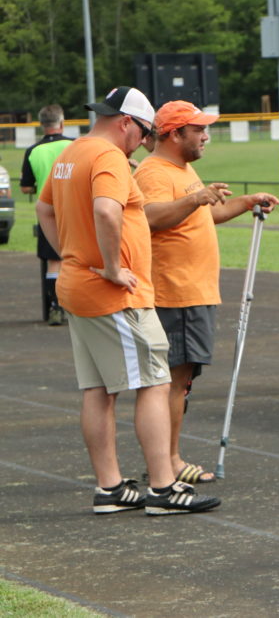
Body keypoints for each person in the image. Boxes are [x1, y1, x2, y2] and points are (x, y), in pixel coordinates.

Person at [35, 86, 219, 516]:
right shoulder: (108, 157)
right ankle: (162, 488)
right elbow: (106, 210)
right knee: (154, 382)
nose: (145, 141)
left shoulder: (71, 152)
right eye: (144, 132)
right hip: (115, 294)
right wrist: (114, 266)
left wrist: (72, 255)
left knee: (98, 389)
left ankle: (110, 487)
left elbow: (45, 210)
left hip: (78, 286)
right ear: (125, 123)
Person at [135, 100, 279, 486]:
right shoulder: (154, 171)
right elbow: (149, 217)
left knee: (180, 383)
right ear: (174, 134)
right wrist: (194, 198)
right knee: (171, 383)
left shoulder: (182, 169)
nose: (205, 136)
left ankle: (167, 460)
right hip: (175, 292)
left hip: (193, 292)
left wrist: (246, 202)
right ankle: (167, 463)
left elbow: (202, 214)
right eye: (198, 129)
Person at [20, 104, 75, 325]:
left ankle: (55, 307)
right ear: (62, 123)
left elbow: (26, 187)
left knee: (54, 261)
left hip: (48, 213)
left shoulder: (33, 151)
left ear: (42, 125)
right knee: (79, 259)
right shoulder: (73, 145)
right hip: (74, 209)